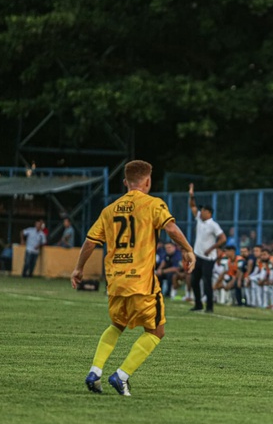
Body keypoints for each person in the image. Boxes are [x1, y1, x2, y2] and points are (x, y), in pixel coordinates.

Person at [72, 160, 195, 396]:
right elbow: (170, 229)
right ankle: (121, 375)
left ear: (125, 182)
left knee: (117, 324)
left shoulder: (109, 210)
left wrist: (78, 268)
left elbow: (90, 242)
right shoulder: (153, 204)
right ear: (147, 181)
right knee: (156, 332)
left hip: (116, 281)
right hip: (142, 282)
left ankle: (94, 372)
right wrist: (188, 249)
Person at [188, 183, 226, 313]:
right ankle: (198, 304)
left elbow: (223, 238)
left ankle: (209, 307)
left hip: (208, 258)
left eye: (203, 210)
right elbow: (192, 206)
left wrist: (211, 248)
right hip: (198, 255)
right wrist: (191, 195)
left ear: (209, 212)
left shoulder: (213, 225)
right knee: (194, 281)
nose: (201, 212)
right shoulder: (199, 219)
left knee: (206, 282)